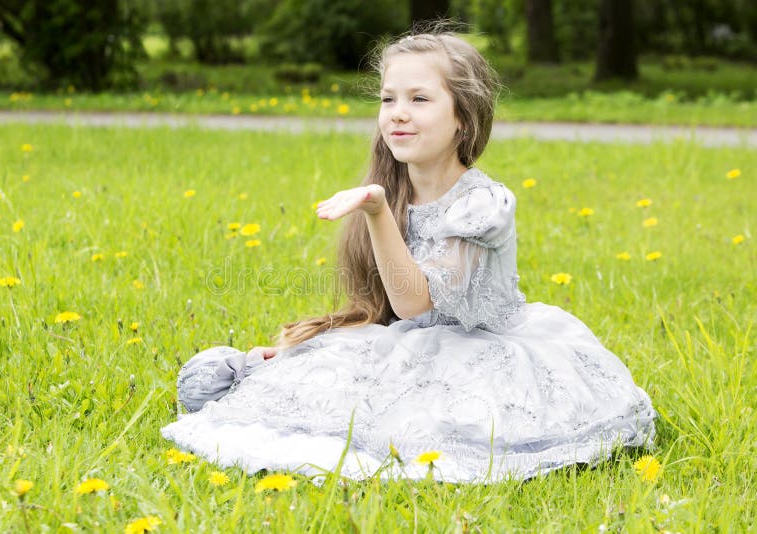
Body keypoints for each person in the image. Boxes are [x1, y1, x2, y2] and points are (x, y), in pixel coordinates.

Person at [161, 31, 656, 483]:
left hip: (488, 347)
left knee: (439, 425)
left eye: (420, 99)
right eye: (388, 99)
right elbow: (395, 315)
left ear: (463, 118)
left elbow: (417, 302)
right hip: (415, 343)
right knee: (323, 379)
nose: (398, 112)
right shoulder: (397, 193)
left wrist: (375, 210)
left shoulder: (481, 205)